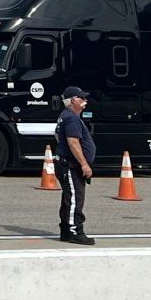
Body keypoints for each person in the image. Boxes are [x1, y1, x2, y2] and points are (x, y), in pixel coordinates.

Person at [55, 84, 96, 245]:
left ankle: (66, 230)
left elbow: (58, 137)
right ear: (73, 100)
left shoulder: (65, 116)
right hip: (70, 165)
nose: (85, 100)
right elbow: (73, 142)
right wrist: (84, 164)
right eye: (82, 98)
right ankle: (75, 231)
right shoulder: (71, 118)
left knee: (69, 197)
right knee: (74, 198)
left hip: (67, 163)